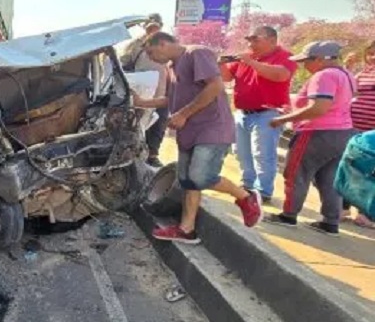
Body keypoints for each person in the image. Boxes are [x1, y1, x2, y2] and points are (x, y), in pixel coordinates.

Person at [133, 32, 263, 244]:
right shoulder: (171, 67)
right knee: (187, 181)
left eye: (151, 52)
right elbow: (170, 99)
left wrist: (183, 114)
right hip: (189, 131)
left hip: (211, 128)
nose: (150, 57)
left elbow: (215, 86)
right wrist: (141, 102)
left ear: (163, 44)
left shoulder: (196, 53)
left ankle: (245, 197)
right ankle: (187, 230)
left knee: (201, 177)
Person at [267, 41, 357, 236]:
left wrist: (283, 119)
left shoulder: (323, 75)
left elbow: (319, 108)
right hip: (342, 132)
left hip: (317, 132)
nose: (304, 66)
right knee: (329, 178)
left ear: (319, 59)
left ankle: (288, 215)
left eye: (306, 61)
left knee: (296, 172)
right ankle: (330, 221)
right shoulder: (346, 75)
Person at [221, 26, 297, 204]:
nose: (250, 44)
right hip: (243, 113)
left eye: (255, 39)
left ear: (272, 40)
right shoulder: (245, 57)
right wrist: (220, 64)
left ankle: (263, 191)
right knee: (241, 152)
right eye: (249, 40)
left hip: (267, 112)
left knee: (263, 154)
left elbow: (281, 75)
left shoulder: (285, 56)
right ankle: (248, 185)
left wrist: (251, 62)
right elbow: (226, 77)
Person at [122, 15, 169, 167]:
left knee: (159, 123)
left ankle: (153, 155)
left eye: (156, 26)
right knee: (137, 123)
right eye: (150, 26)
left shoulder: (168, 43)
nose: (153, 29)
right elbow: (123, 64)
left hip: (161, 92)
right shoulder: (135, 45)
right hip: (141, 92)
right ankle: (134, 154)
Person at [344, 40, 375, 228]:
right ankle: (343, 207)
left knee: (370, 172)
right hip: (355, 129)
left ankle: (367, 215)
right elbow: (347, 88)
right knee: (349, 167)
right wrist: (348, 67)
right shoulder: (363, 73)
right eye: (370, 54)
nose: (373, 58)